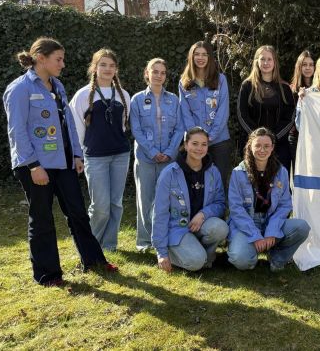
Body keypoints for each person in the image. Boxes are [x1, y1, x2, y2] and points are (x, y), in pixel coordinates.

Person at [4, 37, 116, 287]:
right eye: (59, 59)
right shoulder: (19, 89)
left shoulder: (58, 86)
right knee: (42, 218)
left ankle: (94, 261)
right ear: (40, 59)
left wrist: (76, 154)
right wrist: (33, 166)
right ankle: (48, 274)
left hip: (64, 162)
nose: (63, 64)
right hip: (36, 166)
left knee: (78, 213)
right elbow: (17, 132)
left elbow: (68, 125)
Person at [70, 48, 131, 252]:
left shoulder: (123, 95)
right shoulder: (82, 95)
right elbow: (76, 128)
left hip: (120, 155)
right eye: (103, 64)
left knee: (116, 204)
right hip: (95, 157)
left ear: (116, 69)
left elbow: (123, 125)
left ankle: (109, 246)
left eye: (112, 65)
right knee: (100, 206)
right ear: (94, 68)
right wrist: (77, 155)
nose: (107, 69)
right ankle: (90, 247)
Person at [227, 128, 311, 271]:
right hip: (247, 224)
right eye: (258, 146)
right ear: (250, 146)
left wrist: (272, 231)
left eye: (266, 146)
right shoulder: (238, 173)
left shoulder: (281, 171)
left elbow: (285, 205)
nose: (262, 150)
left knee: (302, 227)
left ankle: (277, 259)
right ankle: (250, 253)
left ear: (272, 148)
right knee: (241, 260)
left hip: (270, 221)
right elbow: (236, 209)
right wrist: (255, 236)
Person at [152, 127, 229, 272]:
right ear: (186, 145)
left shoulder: (213, 171)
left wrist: (203, 214)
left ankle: (206, 257)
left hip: (201, 226)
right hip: (178, 229)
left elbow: (220, 203)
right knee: (195, 262)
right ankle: (175, 252)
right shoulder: (169, 173)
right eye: (194, 143)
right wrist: (161, 252)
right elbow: (160, 213)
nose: (199, 148)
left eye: (204, 144)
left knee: (220, 228)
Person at [130, 58, 183, 252]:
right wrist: (152, 152)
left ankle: (165, 237)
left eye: (162, 72)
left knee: (167, 199)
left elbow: (180, 128)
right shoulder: (137, 99)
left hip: (169, 159)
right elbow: (136, 130)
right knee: (145, 199)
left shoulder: (174, 100)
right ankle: (145, 241)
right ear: (147, 73)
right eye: (155, 71)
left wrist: (169, 152)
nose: (159, 76)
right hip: (145, 158)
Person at [179, 41, 233, 187]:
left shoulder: (220, 79)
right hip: (195, 144)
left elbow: (223, 111)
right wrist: (196, 138)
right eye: (197, 54)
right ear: (191, 57)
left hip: (219, 141)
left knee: (218, 183)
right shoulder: (184, 82)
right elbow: (185, 113)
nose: (200, 58)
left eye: (204, 54)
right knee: (196, 183)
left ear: (210, 57)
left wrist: (210, 136)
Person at [237, 45, 296, 173]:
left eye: (269, 59)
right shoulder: (247, 86)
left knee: (279, 183)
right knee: (252, 182)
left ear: (275, 62)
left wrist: (272, 139)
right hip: (253, 146)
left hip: (279, 147)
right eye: (262, 59)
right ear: (257, 62)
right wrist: (257, 138)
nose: (266, 63)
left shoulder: (285, 88)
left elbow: (290, 117)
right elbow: (242, 115)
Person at [288, 51, 315, 171]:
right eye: (304, 64)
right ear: (299, 67)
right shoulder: (291, 89)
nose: (308, 68)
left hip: (316, 137)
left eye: (311, 65)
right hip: (296, 138)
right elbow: (289, 116)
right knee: (298, 172)